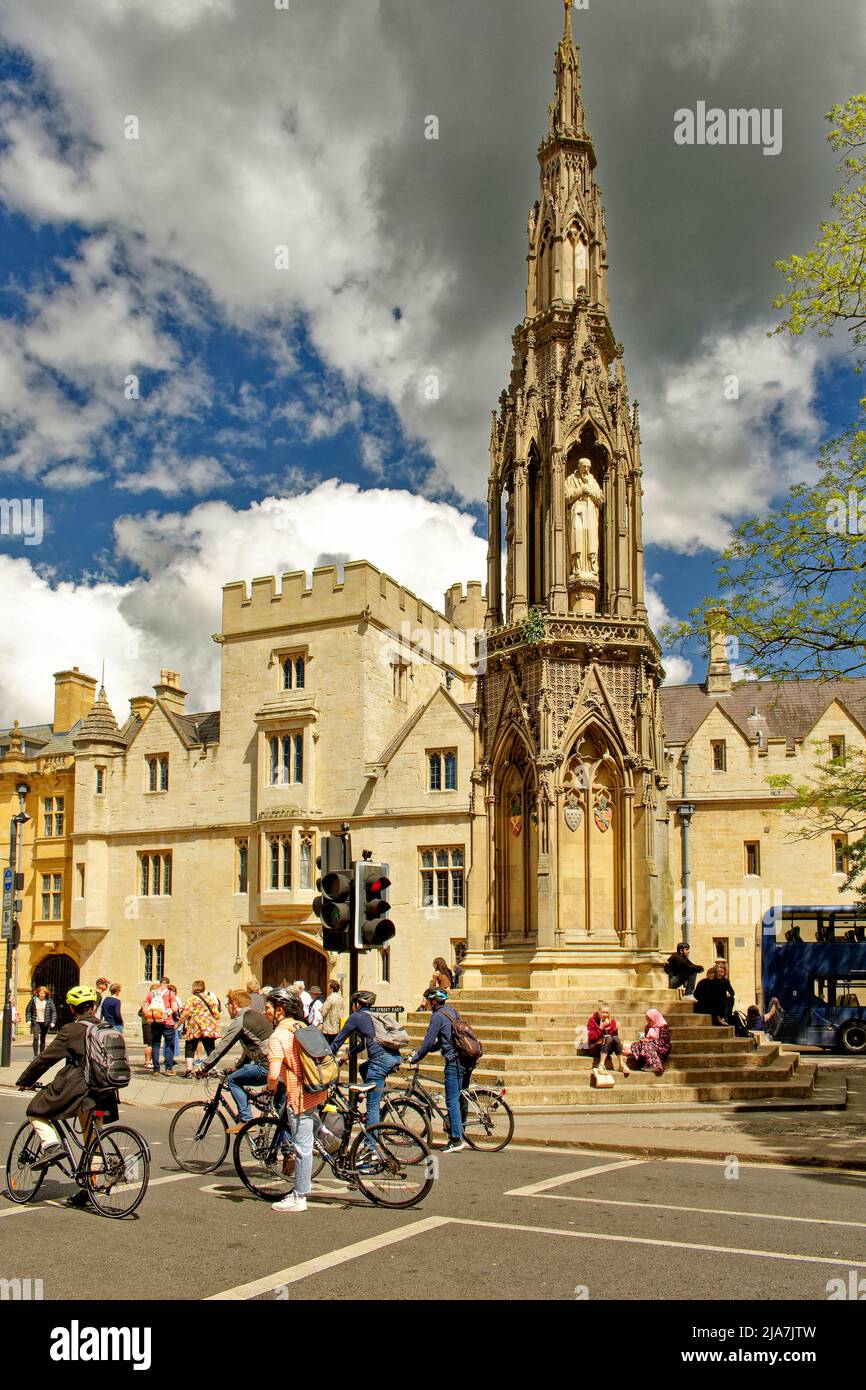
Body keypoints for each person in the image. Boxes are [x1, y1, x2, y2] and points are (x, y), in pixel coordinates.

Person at [15, 985, 120, 1205]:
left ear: (73, 1009)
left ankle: (52, 1146)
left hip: (78, 1088)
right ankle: (88, 1190)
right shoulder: (107, 1027)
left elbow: (46, 1058)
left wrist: (25, 1080)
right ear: (93, 1006)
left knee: (35, 1110)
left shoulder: (71, 1030)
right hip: (105, 1091)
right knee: (93, 1140)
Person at [268, 988, 329, 1213]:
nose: (265, 1012)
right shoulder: (301, 1027)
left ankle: (299, 1196)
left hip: (299, 1093)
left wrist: (269, 1088)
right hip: (316, 1088)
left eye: (268, 1008)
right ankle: (326, 1133)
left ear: (280, 1010)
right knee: (307, 1129)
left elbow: (274, 1075)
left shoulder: (277, 1036)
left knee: (302, 1147)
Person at [196, 988, 273, 1130]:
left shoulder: (241, 1020)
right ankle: (288, 1151)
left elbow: (223, 1046)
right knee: (281, 1114)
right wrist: (238, 1066)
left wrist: (204, 1067)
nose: (228, 1009)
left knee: (233, 1080)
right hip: (277, 1066)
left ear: (234, 1004)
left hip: (266, 1067)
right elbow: (251, 1047)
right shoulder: (256, 1016)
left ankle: (246, 1120)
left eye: (228, 1005)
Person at [408, 988, 475, 1153]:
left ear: (434, 1001)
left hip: (454, 1061)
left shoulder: (437, 1016)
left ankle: (455, 1139)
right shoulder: (451, 1011)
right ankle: (460, 1130)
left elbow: (428, 1041)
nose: (425, 1004)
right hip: (467, 1058)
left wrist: (415, 1057)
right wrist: (431, 1049)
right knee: (460, 1098)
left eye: (427, 1000)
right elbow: (448, 1038)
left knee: (451, 1100)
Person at [329, 990, 401, 1132]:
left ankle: (371, 1147)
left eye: (352, 1005)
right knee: (363, 1068)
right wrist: (349, 1054)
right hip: (394, 1057)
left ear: (357, 1004)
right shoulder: (374, 1016)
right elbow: (364, 1044)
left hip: (380, 1061)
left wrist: (325, 1056)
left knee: (372, 1105)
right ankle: (376, 1092)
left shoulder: (356, 1017)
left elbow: (338, 1041)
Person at [179, 980, 221, 1076]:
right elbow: (217, 1014)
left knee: (190, 1048)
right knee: (210, 1048)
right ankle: (214, 1069)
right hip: (208, 1028)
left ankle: (189, 1070)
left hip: (194, 1027)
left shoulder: (191, 1000)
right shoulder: (210, 999)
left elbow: (185, 1014)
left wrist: (177, 1025)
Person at [141, 977, 179, 1073]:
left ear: (160, 983)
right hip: (168, 1022)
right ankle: (169, 1068)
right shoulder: (170, 993)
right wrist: (167, 1012)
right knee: (169, 1045)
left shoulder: (151, 993)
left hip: (155, 1022)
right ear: (168, 983)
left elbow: (144, 1009)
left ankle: (156, 1069)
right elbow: (175, 1008)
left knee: (155, 1044)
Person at [587, 1004, 629, 1076]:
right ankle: (601, 1065)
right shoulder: (592, 1021)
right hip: (594, 1047)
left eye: (607, 1013)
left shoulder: (611, 1021)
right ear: (598, 1012)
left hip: (606, 1048)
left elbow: (613, 1040)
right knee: (608, 1038)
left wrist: (615, 1030)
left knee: (615, 1038)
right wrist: (600, 1027)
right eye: (603, 1012)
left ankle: (621, 1064)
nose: (605, 1014)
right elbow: (591, 1038)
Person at [628, 1009, 671, 1076]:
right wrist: (643, 1039)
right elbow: (646, 1037)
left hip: (662, 1048)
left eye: (650, 1020)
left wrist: (649, 1041)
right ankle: (645, 1063)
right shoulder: (649, 1026)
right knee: (635, 1045)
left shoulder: (663, 1026)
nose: (649, 1021)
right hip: (649, 1045)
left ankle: (657, 1066)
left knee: (646, 1045)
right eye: (648, 1019)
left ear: (655, 1018)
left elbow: (663, 1041)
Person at [26, 986, 57, 1056]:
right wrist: (28, 1019)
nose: (43, 995)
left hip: (45, 1022)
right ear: (38, 993)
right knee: (36, 1037)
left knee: (43, 1038)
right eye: (41, 993)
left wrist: (53, 1022)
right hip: (35, 1021)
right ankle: (35, 1055)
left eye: (44, 993)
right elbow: (28, 1010)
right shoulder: (34, 1000)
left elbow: (53, 1011)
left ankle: (41, 1055)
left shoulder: (49, 1001)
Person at [320, 980, 344, 1046]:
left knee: (327, 1045)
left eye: (328, 987)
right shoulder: (340, 998)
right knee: (334, 1044)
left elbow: (323, 1012)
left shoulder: (330, 998)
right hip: (336, 1025)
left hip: (328, 1026)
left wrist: (320, 1009)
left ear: (331, 988)